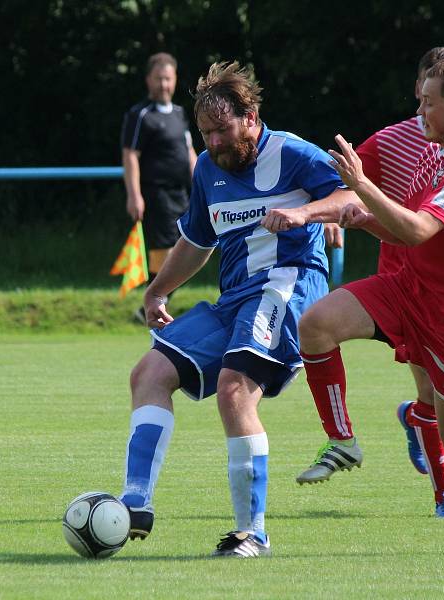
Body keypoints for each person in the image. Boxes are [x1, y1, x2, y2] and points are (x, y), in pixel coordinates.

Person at [293, 59, 444, 552]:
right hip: (406, 289)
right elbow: (406, 234)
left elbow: (420, 229)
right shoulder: (439, 151)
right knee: (316, 324)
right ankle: (343, 441)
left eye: (428, 103)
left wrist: (362, 187)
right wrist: (360, 218)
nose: (419, 110)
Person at [116, 61, 356, 558]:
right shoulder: (207, 167)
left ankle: (253, 534)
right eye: (204, 134)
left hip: (287, 288)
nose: (214, 143)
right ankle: (134, 504)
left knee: (233, 390)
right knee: (149, 373)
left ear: (250, 116)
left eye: (222, 130)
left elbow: (352, 193)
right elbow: (195, 241)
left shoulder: (290, 152)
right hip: (234, 300)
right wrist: (156, 290)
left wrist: (307, 212)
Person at [121, 52, 199, 322]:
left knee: (189, 248)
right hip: (156, 195)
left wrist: (203, 183)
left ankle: (150, 307)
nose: (163, 84)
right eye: (158, 79)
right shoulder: (140, 115)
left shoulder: (179, 113)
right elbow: (130, 155)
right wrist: (134, 195)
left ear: (175, 80)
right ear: (148, 80)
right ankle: (150, 306)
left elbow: (189, 152)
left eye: (168, 79)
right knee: (166, 251)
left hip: (183, 194)